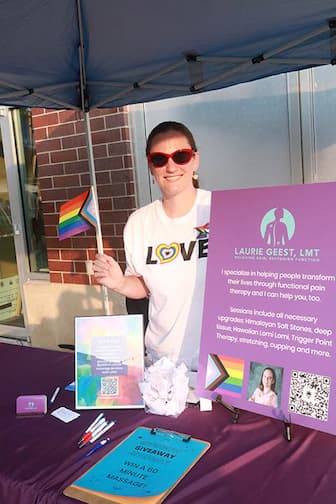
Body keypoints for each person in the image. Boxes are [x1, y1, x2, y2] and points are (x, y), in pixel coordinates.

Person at [93, 121, 211, 375]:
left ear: (195, 160)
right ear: (150, 166)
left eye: (180, 156)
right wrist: (119, 282)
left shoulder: (225, 210)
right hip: (162, 362)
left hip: (217, 364)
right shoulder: (138, 223)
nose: (171, 166)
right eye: (159, 159)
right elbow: (144, 286)